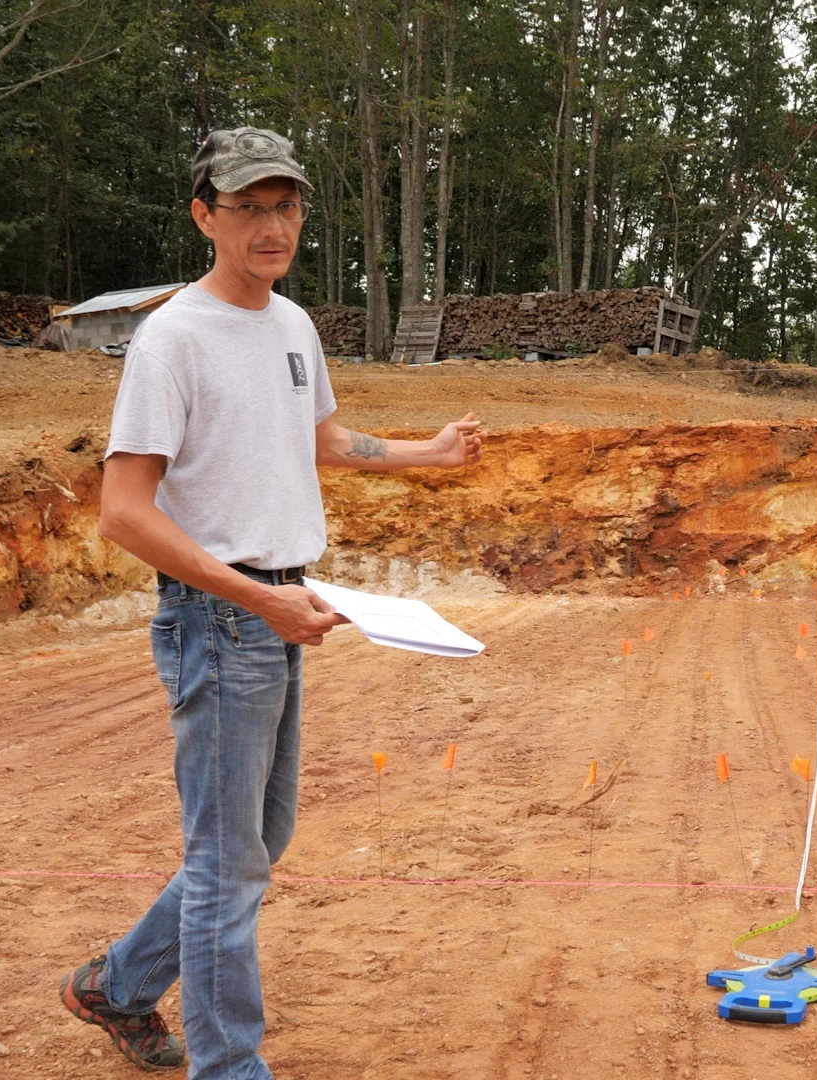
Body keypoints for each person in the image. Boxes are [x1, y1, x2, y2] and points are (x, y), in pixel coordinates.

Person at [59, 127, 482, 1079]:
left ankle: (117, 988)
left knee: (258, 842)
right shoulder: (171, 338)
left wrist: (429, 453)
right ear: (204, 214)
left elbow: (321, 438)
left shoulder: (291, 325)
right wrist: (257, 599)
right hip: (221, 617)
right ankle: (231, 1067)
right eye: (247, 206)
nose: (271, 224)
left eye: (285, 205)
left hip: (282, 609)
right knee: (225, 863)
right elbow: (123, 514)